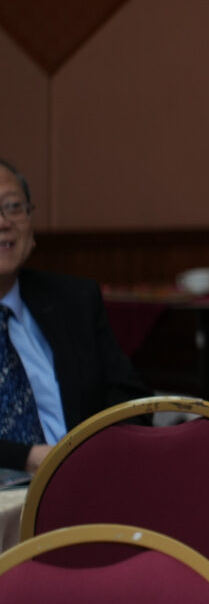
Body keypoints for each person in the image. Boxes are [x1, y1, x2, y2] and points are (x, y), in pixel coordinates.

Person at [0, 158, 150, 474]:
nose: (3, 222)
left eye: (13, 207)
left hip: (91, 482)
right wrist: (26, 457)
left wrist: (102, 453)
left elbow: (128, 396)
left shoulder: (74, 300)